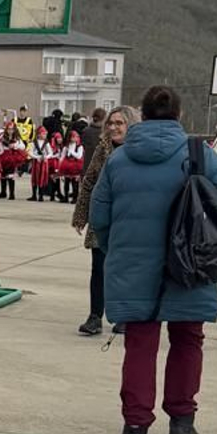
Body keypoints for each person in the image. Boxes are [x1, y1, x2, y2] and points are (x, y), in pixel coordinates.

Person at [89, 84, 217, 434]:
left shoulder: (119, 160)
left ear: (142, 113)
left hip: (133, 264)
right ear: (180, 115)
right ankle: (182, 419)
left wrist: (117, 250)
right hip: (191, 264)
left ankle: (135, 428)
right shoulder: (200, 155)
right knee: (188, 337)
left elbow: (99, 217)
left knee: (140, 343)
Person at [71, 104, 133, 335]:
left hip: (127, 220)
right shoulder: (102, 149)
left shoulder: (136, 150)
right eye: (111, 123)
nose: (114, 127)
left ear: (130, 126)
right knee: (99, 268)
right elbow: (89, 182)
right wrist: (81, 215)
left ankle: (124, 316)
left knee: (124, 270)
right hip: (102, 219)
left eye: (120, 123)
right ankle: (95, 316)